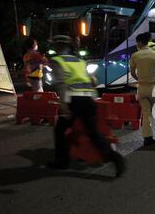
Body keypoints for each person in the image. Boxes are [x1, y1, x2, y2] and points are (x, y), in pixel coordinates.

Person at [47, 36, 126, 177]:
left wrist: (64, 105)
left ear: (58, 47)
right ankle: (115, 158)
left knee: (60, 130)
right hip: (89, 99)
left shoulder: (57, 61)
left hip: (73, 100)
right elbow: (93, 81)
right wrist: (93, 97)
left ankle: (62, 162)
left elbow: (61, 84)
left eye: (56, 46)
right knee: (93, 132)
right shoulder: (80, 61)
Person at [130, 33, 155, 147]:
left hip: (141, 88)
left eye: (137, 42)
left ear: (140, 42)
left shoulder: (135, 55)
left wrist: (139, 79)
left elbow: (132, 73)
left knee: (146, 113)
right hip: (153, 86)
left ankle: (147, 138)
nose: (137, 44)